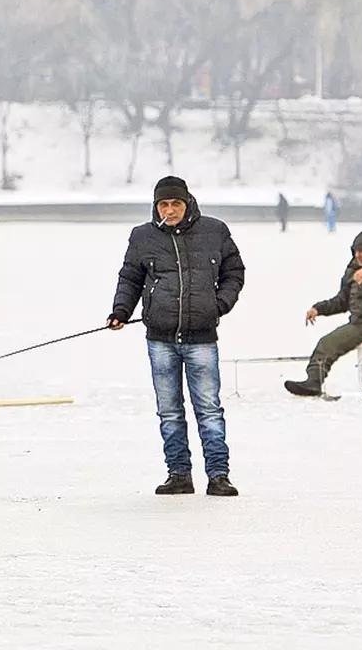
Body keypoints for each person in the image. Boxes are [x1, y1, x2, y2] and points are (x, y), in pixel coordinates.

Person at [107, 176, 246, 496]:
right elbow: (130, 278)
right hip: (160, 338)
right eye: (164, 204)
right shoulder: (142, 236)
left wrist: (219, 305)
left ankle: (218, 475)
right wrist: (120, 312)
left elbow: (234, 272)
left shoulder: (215, 231)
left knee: (209, 408)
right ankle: (179, 474)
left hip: (202, 337)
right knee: (169, 410)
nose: (170, 210)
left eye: (176, 204)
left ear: (188, 204)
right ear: (156, 206)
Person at [285, 229, 362, 396]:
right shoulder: (352, 269)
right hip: (359, 324)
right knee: (327, 343)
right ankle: (313, 382)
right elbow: (342, 301)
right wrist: (318, 308)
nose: (358, 256)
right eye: (356, 252)